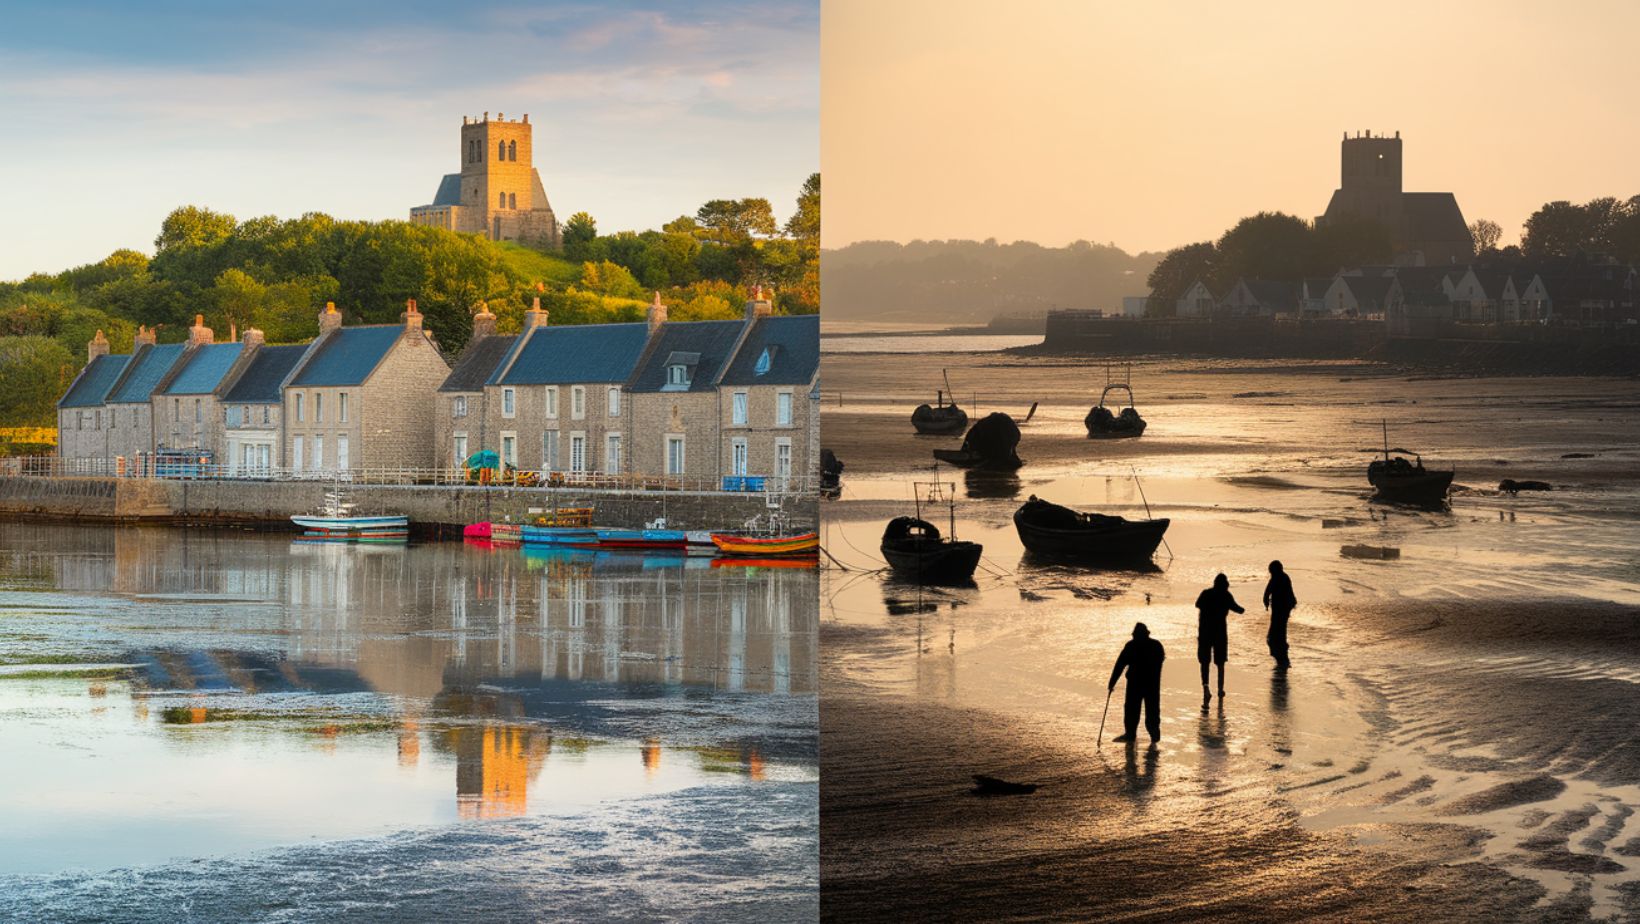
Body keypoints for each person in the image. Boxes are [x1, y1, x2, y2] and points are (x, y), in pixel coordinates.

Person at [1108, 622, 1166, 745]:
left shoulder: (1131, 646)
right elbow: (1160, 662)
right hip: (1152, 684)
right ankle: (1154, 735)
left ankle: (1131, 734)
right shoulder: (1156, 646)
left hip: (1135, 684)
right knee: (1152, 710)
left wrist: (1112, 683)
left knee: (1131, 710)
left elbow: (1119, 665)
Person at [1195, 573, 1243, 704]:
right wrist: (1243, 609)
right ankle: (1220, 689)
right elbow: (1237, 609)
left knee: (1205, 661)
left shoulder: (1206, 593)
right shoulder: (1226, 595)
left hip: (1205, 631)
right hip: (1220, 633)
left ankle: (1206, 687)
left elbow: (1197, 604)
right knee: (1220, 662)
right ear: (1225, 584)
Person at [1262, 560, 1297, 668]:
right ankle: (1281, 644)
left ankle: (1279, 646)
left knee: (1278, 625)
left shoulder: (1276, 578)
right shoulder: (1285, 577)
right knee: (1281, 625)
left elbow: (1267, 593)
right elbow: (1268, 593)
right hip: (1285, 606)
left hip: (1280, 606)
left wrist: (1266, 603)